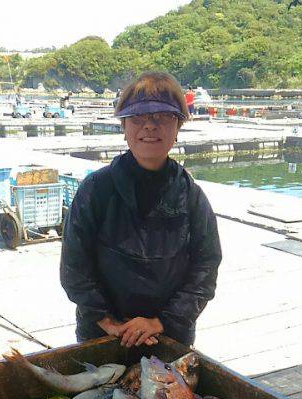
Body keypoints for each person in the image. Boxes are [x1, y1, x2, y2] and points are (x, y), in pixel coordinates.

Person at [60, 71, 221, 348]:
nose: (150, 126)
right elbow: (74, 267)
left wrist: (161, 322)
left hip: (168, 333)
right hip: (103, 332)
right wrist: (109, 322)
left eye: (163, 117)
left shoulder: (191, 196)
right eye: (138, 117)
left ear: (179, 126)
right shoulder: (96, 189)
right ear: (123, 126)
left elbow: (205, 269)